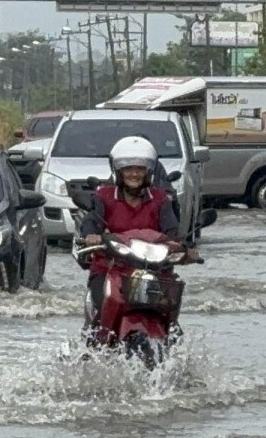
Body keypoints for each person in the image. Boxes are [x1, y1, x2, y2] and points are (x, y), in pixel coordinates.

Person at [79, 136, 198, 331]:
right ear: (118, 171)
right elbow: (91, 222)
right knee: (100, 315)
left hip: (154, 270)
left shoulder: (161, 199)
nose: (134, 174)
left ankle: (171, 346)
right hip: (111, 267)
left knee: (172, 322)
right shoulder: (104, 196)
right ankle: (94, 345)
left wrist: (186, 249)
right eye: (128, 168)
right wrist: (92, 236)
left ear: (149, 172)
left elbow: (172, 233)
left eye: (140, 169)